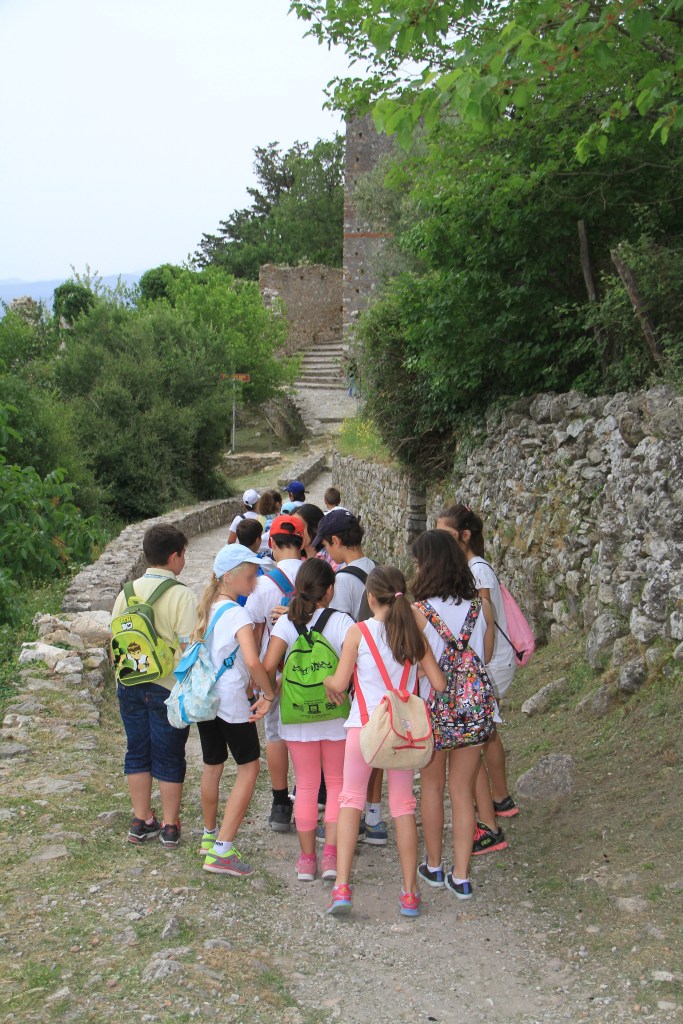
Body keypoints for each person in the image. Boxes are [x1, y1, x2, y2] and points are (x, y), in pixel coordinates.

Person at [323, 565, 445, 918]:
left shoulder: (358, 633)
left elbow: (340, 682)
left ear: (371, 598)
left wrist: (329, 682)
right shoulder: (413, 636)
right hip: (402, 734)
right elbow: (439, 684)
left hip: (364, 729)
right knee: (403, 806)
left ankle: (342, 887)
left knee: (350, 801)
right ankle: (409, 892)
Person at [411, 529, 495, 899]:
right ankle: (461, 875)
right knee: (462, 790)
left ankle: (433, 865)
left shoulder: (418, 613)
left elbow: (411, 666)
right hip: (473, 711)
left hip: (433, 710)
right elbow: (485, 656)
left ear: (427, 565)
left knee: (432, 787)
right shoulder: (480, 607)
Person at [262, 559, 354, 882]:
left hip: (297, 716)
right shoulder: (342, 622)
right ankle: (330, 856)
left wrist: (269, 694)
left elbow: (268, 665)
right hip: (335, 714)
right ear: (330, 591)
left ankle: (306, 860)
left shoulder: (287, 623)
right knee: (337, 784)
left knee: (305, 786)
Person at [437, 503, 518, 852]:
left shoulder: (477, 571)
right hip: (482, 663)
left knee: (482, 739)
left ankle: (496, 803)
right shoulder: (472, 568)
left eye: (445, 534)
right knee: (484, 738)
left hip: (488, 663)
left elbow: (482, 620)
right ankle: (498, 801)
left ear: (465, 536)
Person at [111, 523, 198, 848]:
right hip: (166, 686)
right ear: (174, 556)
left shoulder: (126, 593)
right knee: (170, 753)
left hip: (129, 682)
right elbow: (190, 648)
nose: (184, 560)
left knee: (137, 749)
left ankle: (141, 819)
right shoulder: (181, 595)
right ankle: (170, 825)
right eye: (183, 554)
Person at [195, 544, 276, 876]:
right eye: (250, 574)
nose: (254, 581)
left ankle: (209, 835)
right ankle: (222, 850)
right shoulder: (238, 614)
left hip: (206, 697)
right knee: (249, 767)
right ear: (229, 577)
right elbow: (253, 661)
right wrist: (268, 692)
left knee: (212, 764)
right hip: (230, 699)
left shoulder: (207, 608)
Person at [313, 510, 385, 842]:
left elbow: (336, 631)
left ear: (337, 541)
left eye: (327, 546)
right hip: (380, 677)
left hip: (354, 678)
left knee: (351, 756)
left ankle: (349, 821)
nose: (327, 553)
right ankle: (374, 816)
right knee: (377, 746)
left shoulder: (342, 581)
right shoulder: (375, 569)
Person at [245, 514, 305, 832]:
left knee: (275, 734)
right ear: (303, 541)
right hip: (315, 673)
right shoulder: (320, 579)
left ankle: (281, 805)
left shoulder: (264, 585)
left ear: (271, 543)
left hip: (276, 672)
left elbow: (254, 635)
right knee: (315, 734)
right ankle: (312, 795)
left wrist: (254, 680)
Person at [256, 489, 282, 554]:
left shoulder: (257, 519)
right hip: (277, 551)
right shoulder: (280, 518)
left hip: (262, 553)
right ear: (277, 504)